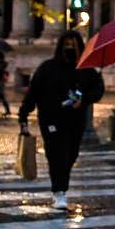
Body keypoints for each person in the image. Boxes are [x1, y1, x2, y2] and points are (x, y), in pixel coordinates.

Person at [18, 30, 105, 211]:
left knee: (70, 155)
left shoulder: (87, 70)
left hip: (75, 120)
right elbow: (34, 92)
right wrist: (24, 114)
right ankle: (59, 191)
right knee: (57, 155)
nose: (70, 49)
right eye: (66, 45)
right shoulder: (47, 68)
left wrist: (84, 99)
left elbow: (98, 90)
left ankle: (61, 187)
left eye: (73, 45)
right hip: (51, 119)